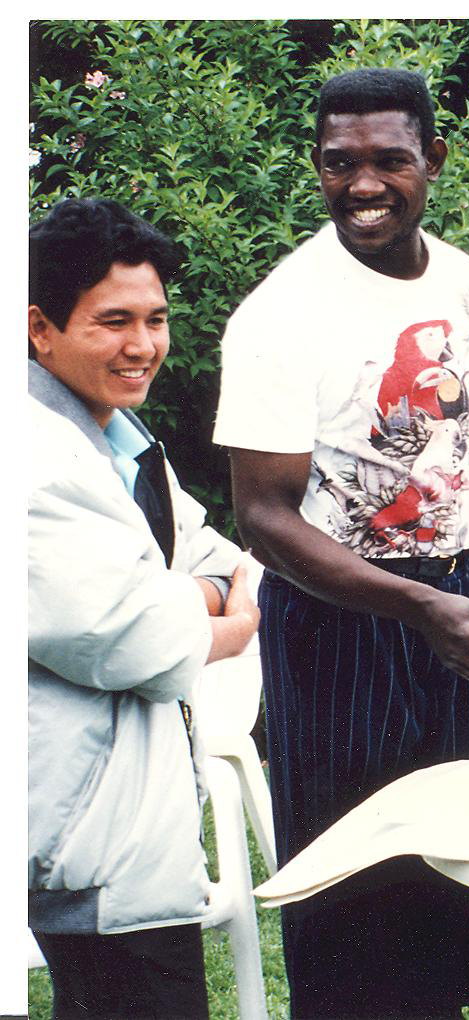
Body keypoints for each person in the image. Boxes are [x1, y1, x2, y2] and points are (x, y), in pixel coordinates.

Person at [213, 69, 469, 1018]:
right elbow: (265, 517)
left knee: (442, 876)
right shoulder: (280, 313)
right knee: (348, 891)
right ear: (317, 166)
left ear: (433, 160)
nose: (363, 185)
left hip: (452, 603)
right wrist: (415, 604)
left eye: (389, 161)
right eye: (340, 164)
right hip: (337, 619)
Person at [28, 198, 260, 1018]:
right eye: (113, 321)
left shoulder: (121, 441)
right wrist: (226, 618)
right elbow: (139, 641)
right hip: (82, 839)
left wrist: (184, 592)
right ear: (39, 327)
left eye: (156, 320)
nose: (143, 346)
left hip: (131, 835)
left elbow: (221, 558)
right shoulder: (33, 456)